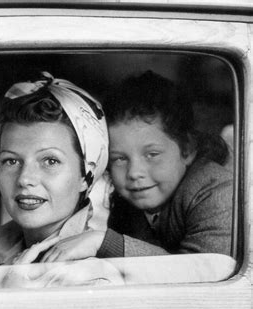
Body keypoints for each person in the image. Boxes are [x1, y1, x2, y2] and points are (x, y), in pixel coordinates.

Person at [41, 70, 233, 259]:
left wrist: (104, 242)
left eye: (152, 154)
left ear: (187, 149)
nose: (134, 173)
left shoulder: (216, 191)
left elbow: (207, 272)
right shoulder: (127, 206)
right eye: (120, 158)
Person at [0, 71, 111, 266]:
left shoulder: (94, 271)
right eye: (11, 161)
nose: (25, 178)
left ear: (86, 175)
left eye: (50, 161)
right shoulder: (1, 242)